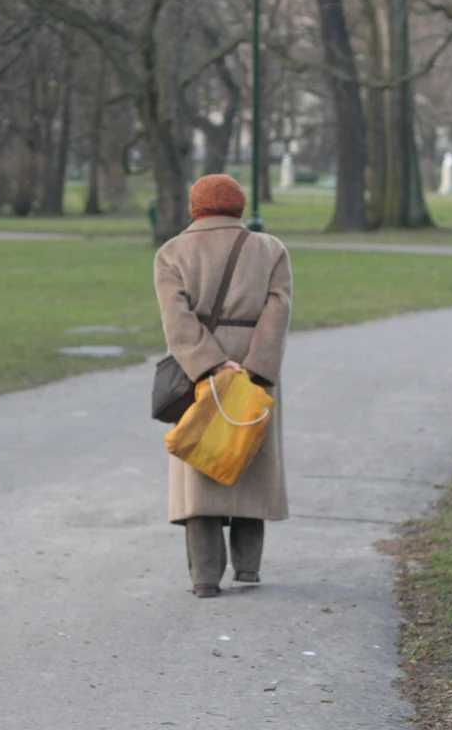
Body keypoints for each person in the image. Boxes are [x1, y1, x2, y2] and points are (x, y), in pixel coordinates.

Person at [153, 174, 292, 598]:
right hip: (255, 366)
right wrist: (256, 368)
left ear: (195, 208)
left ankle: (204, 578)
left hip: (200, 372)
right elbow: (278, 309)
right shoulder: (270, 249)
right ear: (239, 207)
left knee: (202, 460)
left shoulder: (172, 252)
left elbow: (176, 320)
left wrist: (209, 365)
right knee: (249, 458)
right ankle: (248, 568)